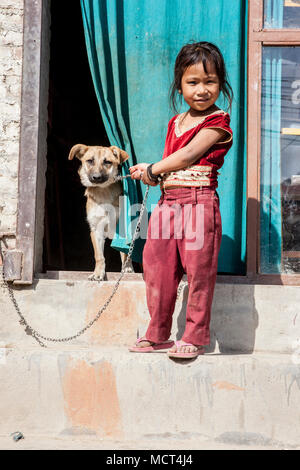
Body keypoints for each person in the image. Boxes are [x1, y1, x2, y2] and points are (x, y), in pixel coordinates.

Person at [129, 41, 233, 359]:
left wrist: (153, 168)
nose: (202, 90)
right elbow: (168, 165)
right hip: (167, 204)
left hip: (199, 203)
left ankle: (195, 335)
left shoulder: (219, 122)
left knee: (199, 271)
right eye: (193, 82)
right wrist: (149, 174)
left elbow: (188, 154)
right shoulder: (175, 123)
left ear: (221, 83)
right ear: (179, 84)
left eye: (210, 81)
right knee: (157, 267)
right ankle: (158, 333)